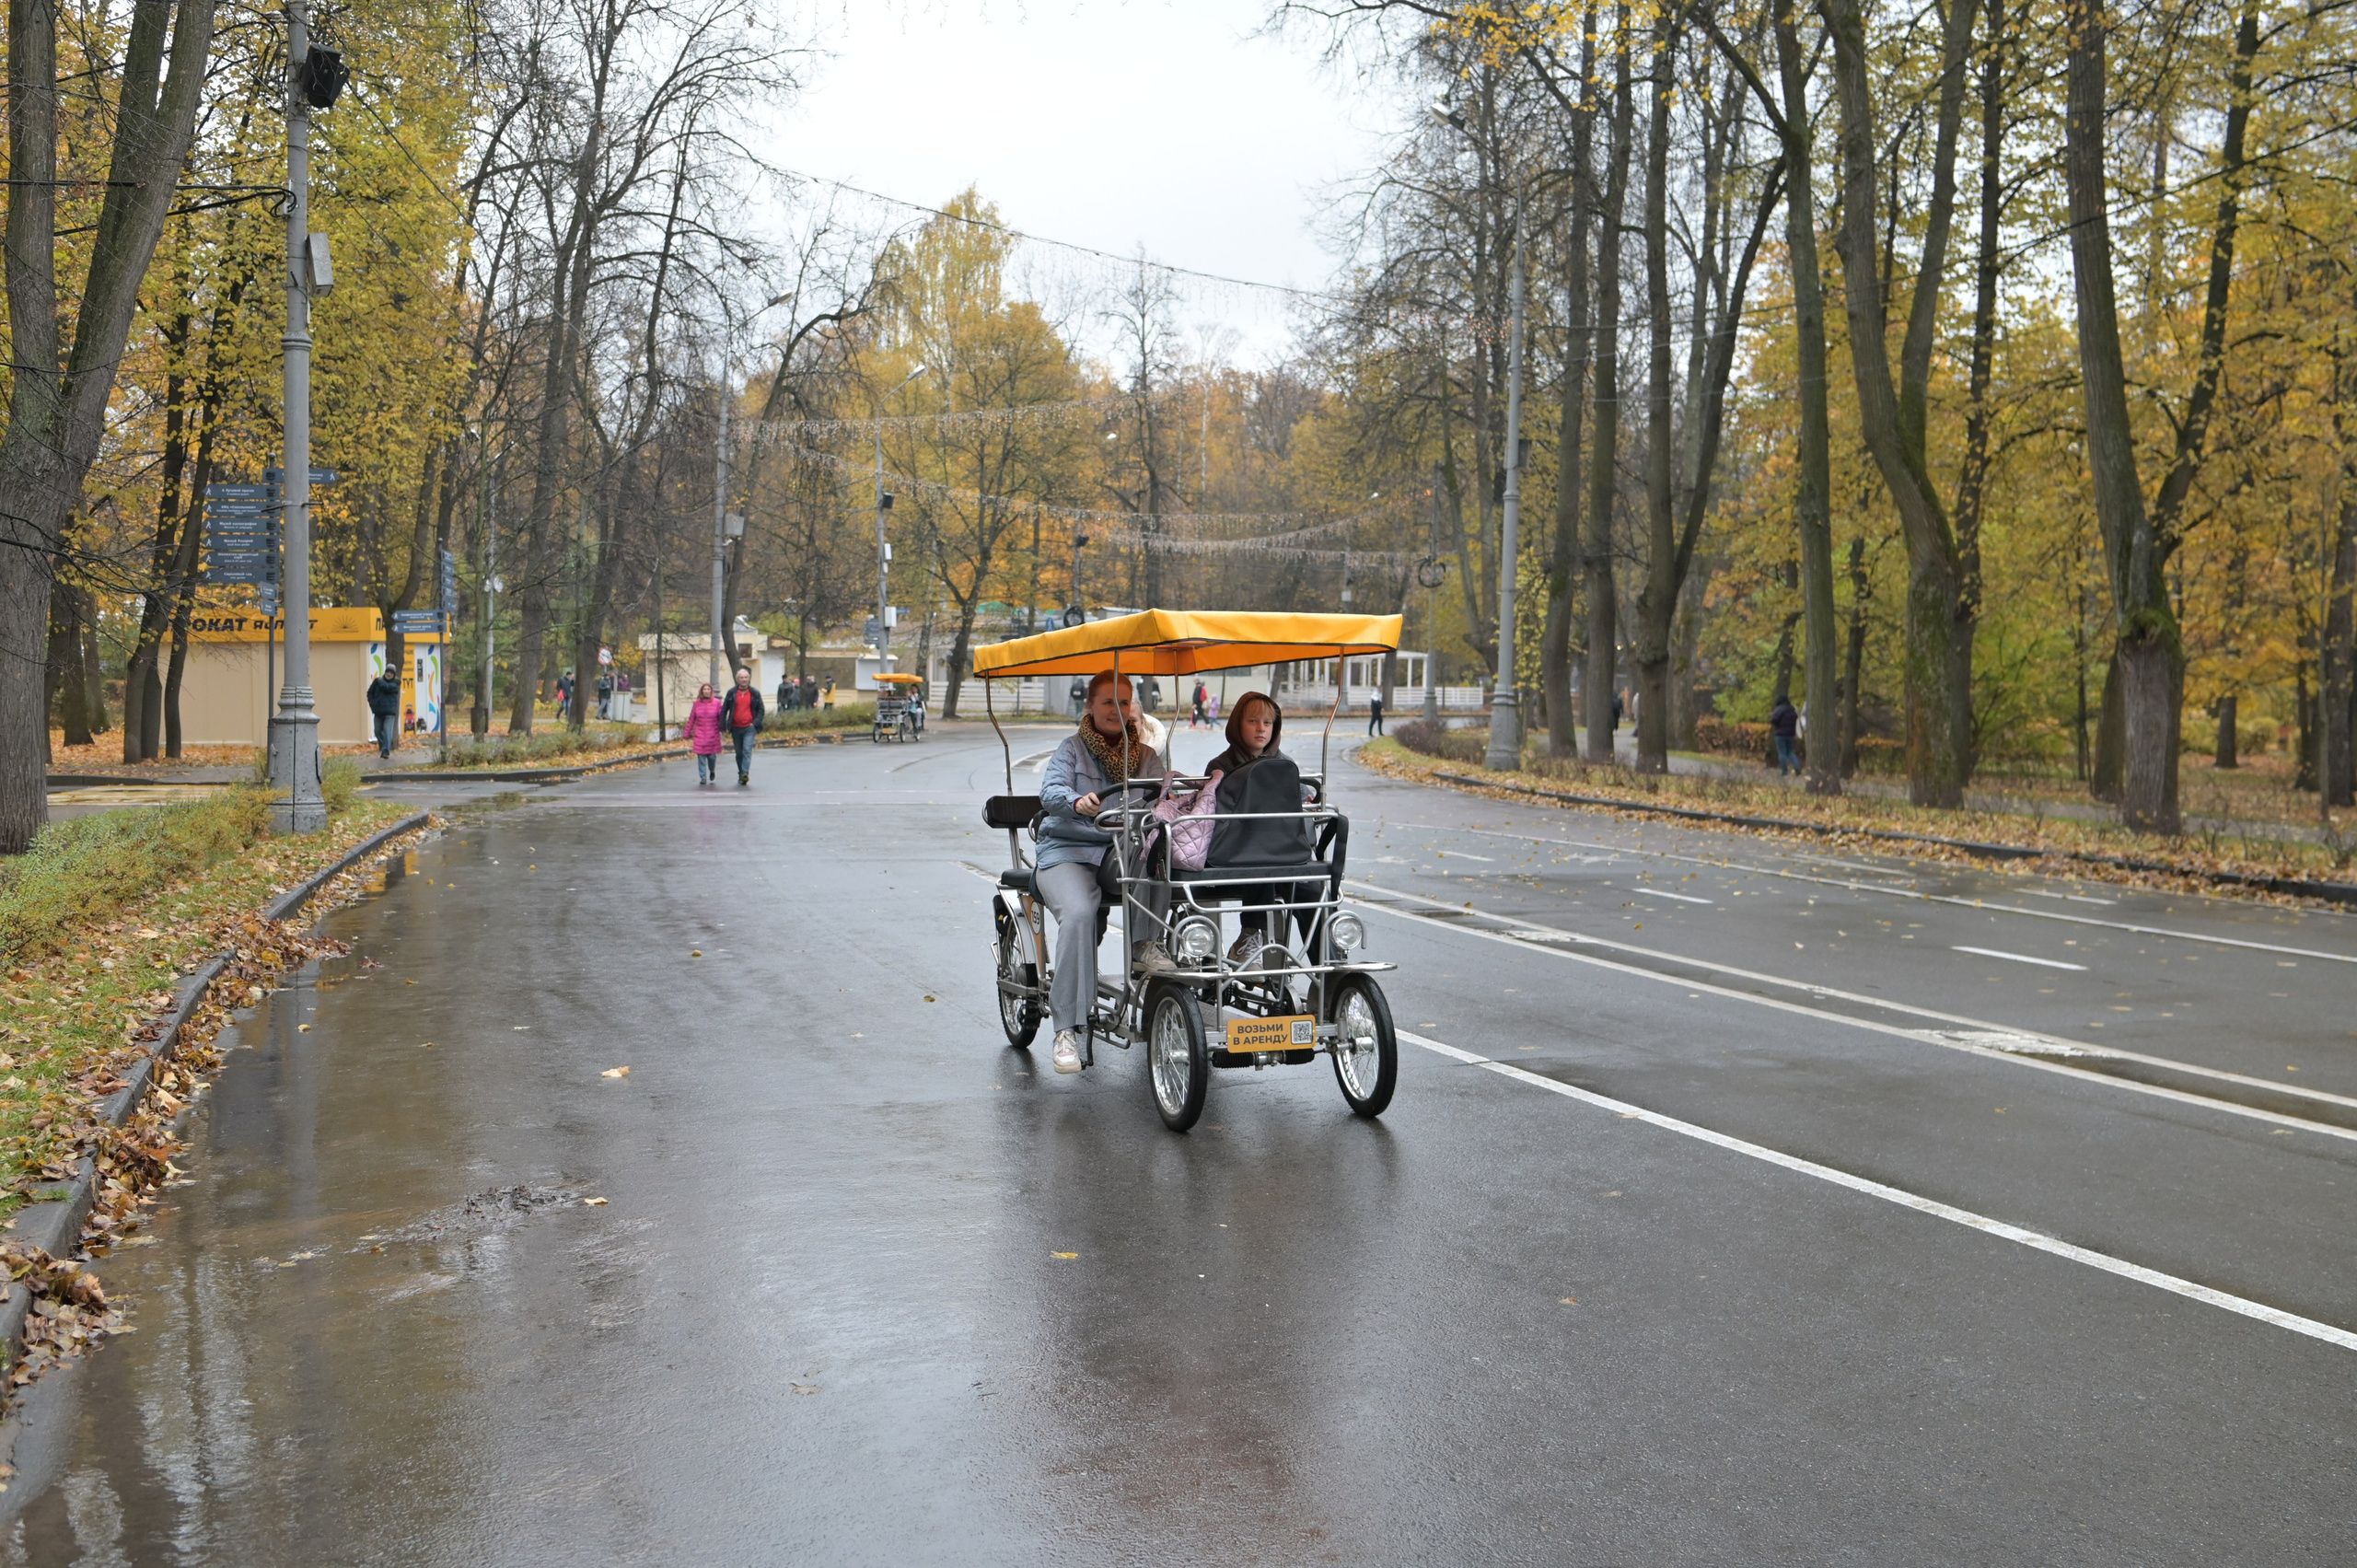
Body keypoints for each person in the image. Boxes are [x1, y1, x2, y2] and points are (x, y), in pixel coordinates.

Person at [1037, 672, 1173, 1075]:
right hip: (1068, 849)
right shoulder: (1072, 749)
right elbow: (1050, 792)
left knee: (1159, 853)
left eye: (1125, 702)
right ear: (1091, 707)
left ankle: (1145, 945)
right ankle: (1066, 1029)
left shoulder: (1145, 756)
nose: (1118, 710)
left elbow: (1163, 798)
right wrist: (1076, 802)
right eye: (1108, 702)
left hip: (1120, 853)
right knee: (1079, 915)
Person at [1202, 691, 1315, 965]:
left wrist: (1308, 796)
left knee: (1314, 891)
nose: (1261, 728)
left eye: (1267, 722)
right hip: (1234, 852)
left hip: (1280, 852)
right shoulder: (1220, 765)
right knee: (1261, 861)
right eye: (1253, 721)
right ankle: (1249, 935)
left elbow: (1303, 794)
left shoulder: (1285, 763)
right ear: (1238, 725)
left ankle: (1329, 964)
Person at [724, 666, 764, 785]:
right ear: (737, 679)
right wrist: (723, 725)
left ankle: (745, 773)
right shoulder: (732, 693)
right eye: (741, 677)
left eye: (746, 677)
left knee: (747, 750)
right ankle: (741, 772)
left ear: (749, 679)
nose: (744, 680)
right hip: (736, 727)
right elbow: (725, 708)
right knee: (739, 752)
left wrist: (755, 723)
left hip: (749, 727)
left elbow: (761, 709)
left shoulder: (754, 693)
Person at [685, 681, 724, 784]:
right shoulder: (696, 704)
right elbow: (691, 719)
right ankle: (703, 777)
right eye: (704, 689)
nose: (706, 691)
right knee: (701, 757)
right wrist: (687, 732)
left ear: (711, 691)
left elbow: (721, 718)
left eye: (708, 689)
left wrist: (724, 728)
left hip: (713, 734)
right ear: (701, 691)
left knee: (711, 757)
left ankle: (712, 770)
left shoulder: (716, 703)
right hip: (700, 734)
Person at [366, 666, 401, 758]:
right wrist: (372, 704)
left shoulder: (396, 683)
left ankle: (386, 751)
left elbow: (386, 687)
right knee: (377, 731)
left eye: (391, 673)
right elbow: (370, 692)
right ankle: (383, 745)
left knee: (387, 731)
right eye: (387, 672)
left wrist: (380, 681)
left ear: (394, 674)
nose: (389, 674)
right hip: (378, 711)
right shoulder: (377, 681)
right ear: (385, 672)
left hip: (389, 712)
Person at [1769, 694, 1800, 775]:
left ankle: (1784, 771)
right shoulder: (1792, 710)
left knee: (1782, 753)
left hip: (1780, 734)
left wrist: (1772, 715)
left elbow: (1774, 720)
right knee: (1790, 752)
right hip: (1791, 734)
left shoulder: (1779, 710)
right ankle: (1797, 766)